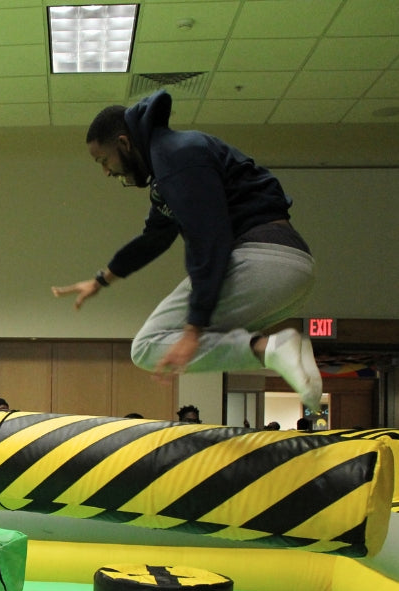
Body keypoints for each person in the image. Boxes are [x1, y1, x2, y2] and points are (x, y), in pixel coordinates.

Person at [51, 89, 322, 412]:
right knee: (188, 340)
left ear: (124, 143)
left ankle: (270, 348)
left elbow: (208, 238)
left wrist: (193, 328)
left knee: (148, 346)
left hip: (261, 260)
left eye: (103, 160)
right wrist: (101, 280)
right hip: (292, 269)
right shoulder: (171, 166)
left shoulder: (177, 157)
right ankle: (277, 352)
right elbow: (154, 237)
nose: (107, 171)